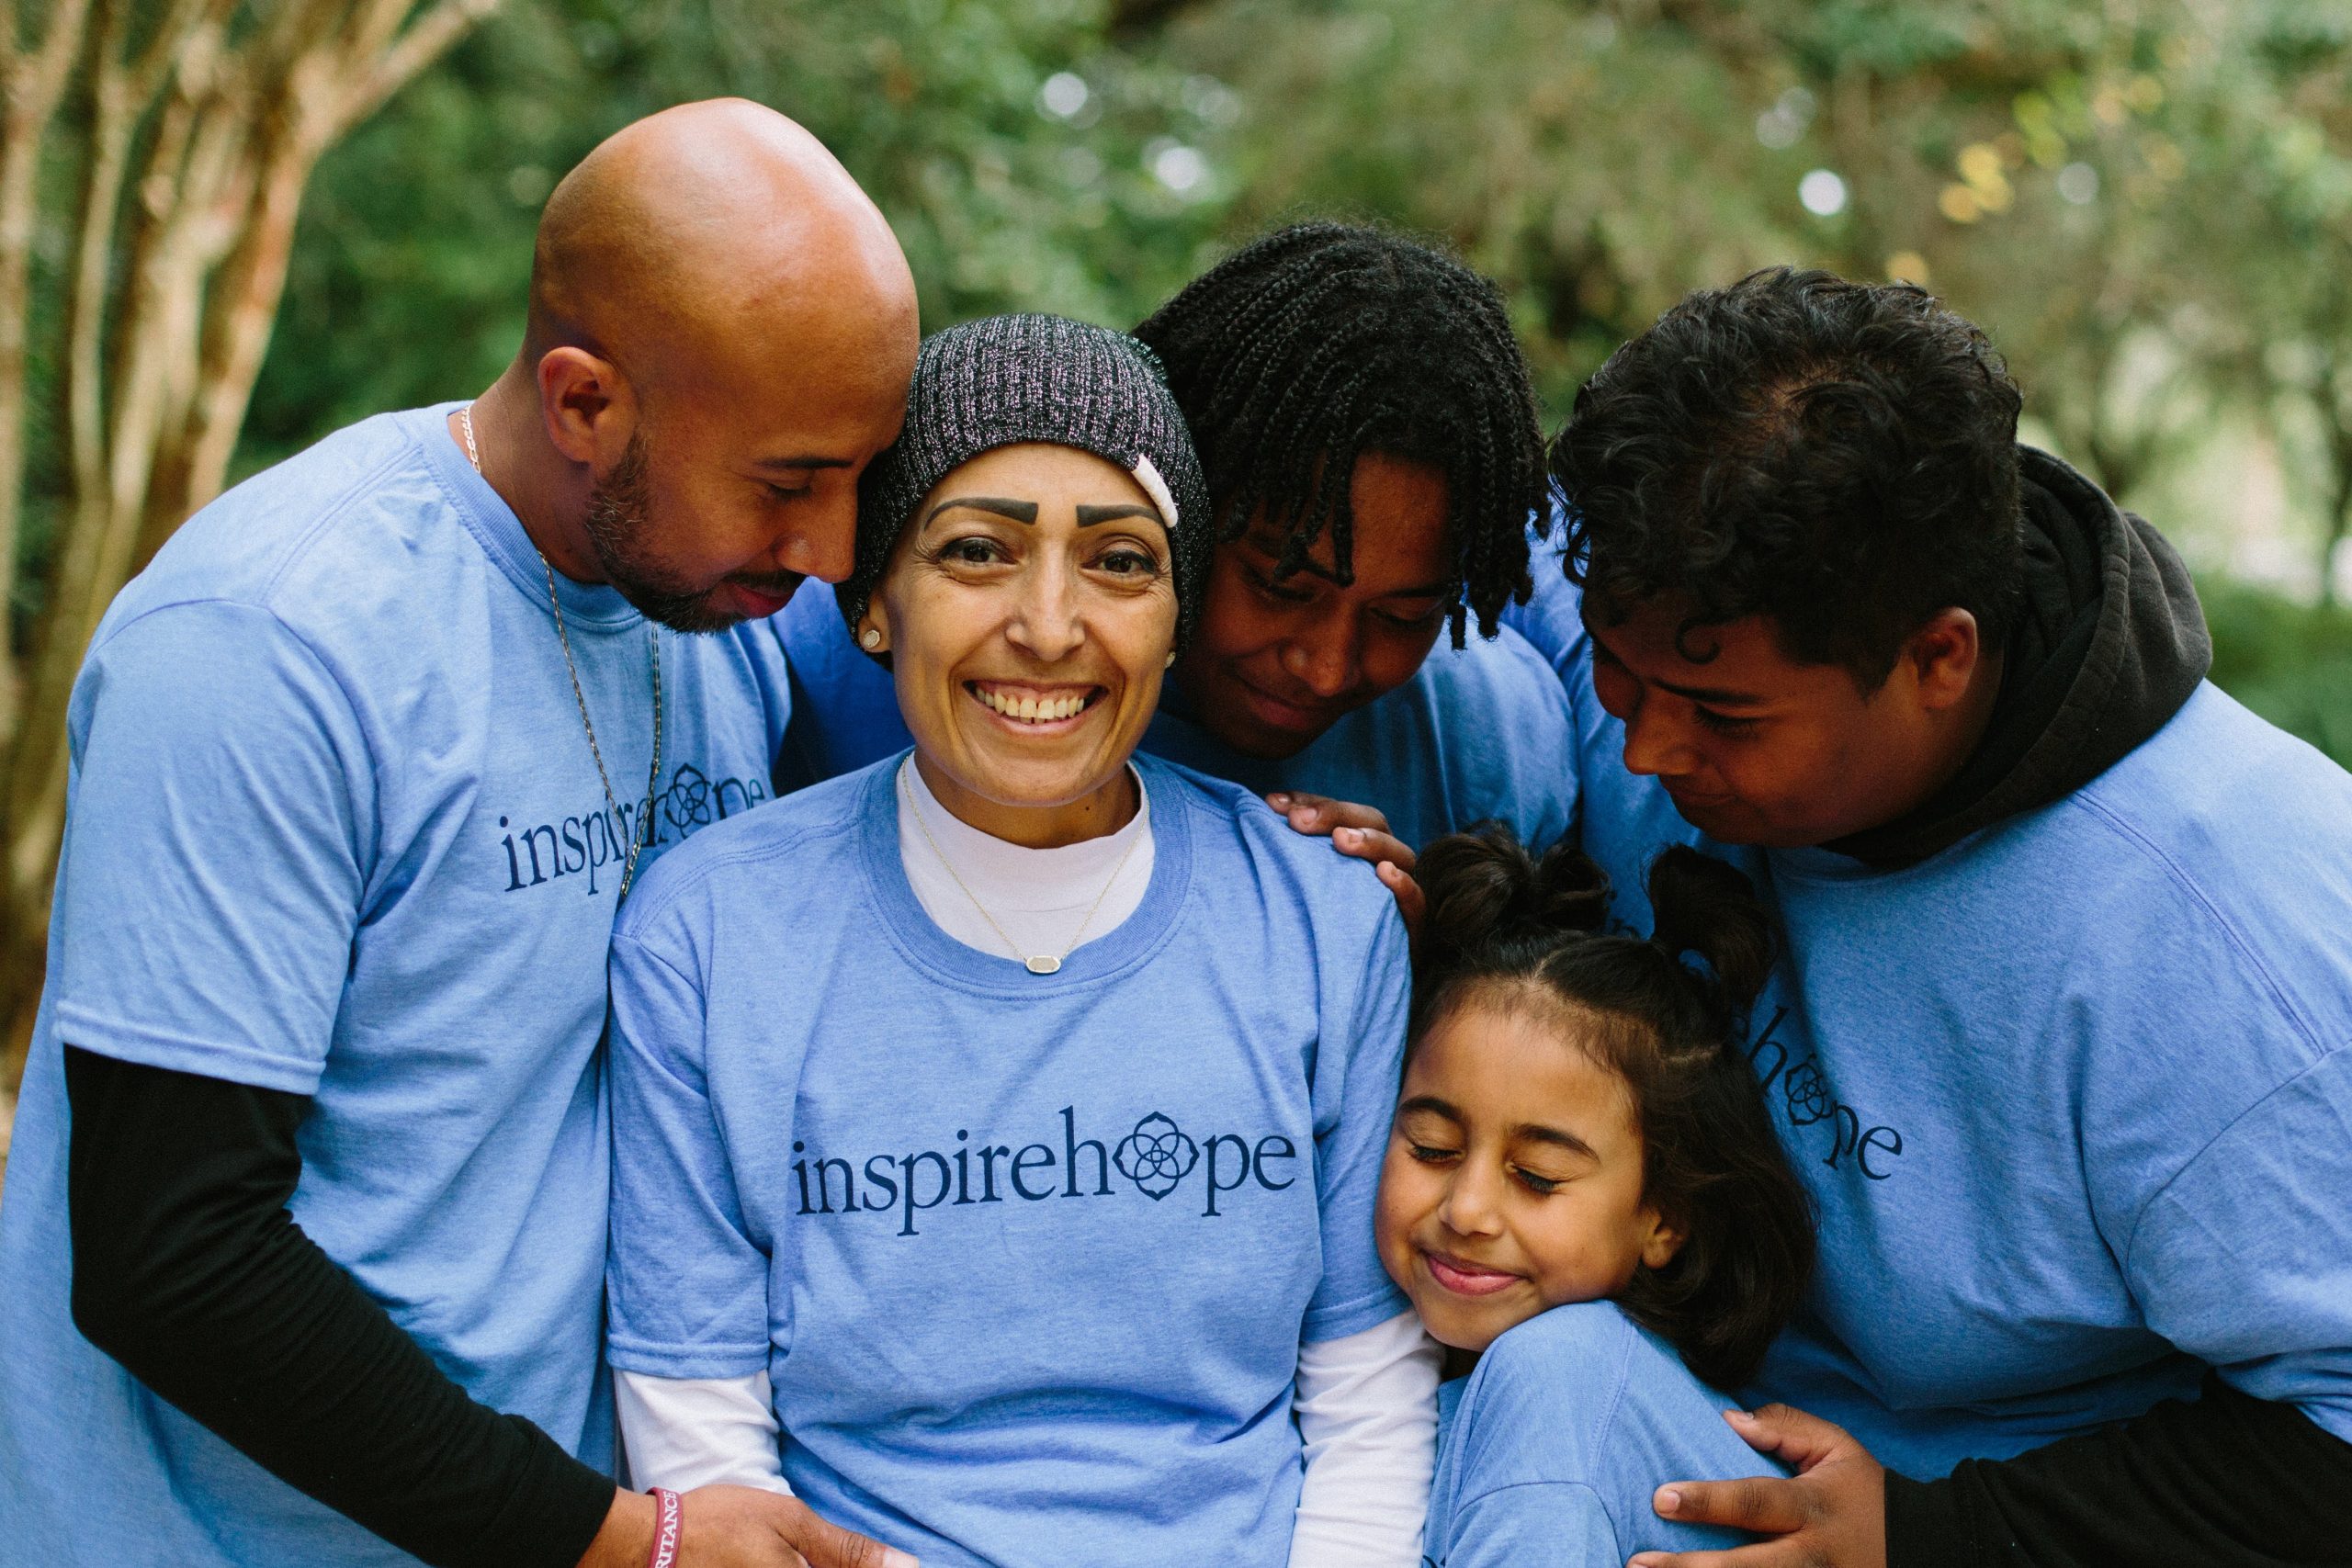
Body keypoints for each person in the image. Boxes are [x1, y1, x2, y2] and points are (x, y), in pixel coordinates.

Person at [0, 101, 920, 1568]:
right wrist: (618, 1538)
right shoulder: (271, 641)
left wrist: (1260, 846)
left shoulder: (726, 608)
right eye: (789, 480)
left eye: (862, 474)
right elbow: (170, 1251)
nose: (829, 544)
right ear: (583, 403)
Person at [1498, 267, 2352, 1566]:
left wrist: (1936, 1532)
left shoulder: (2235, 934)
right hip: (1643, 1403)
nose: (1643, 747)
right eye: (1622, 669)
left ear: (1937, 659)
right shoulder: (1668, 611)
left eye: (1721, 713)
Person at [605, 314, 1436, 1566]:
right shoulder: (710, 932)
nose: (1050, 627)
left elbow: (1367, 1387)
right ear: (876, 604)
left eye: (1118, 563)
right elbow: (699, 1414)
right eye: (980, 551)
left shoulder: (1323, 919)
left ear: (1173, 615)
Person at [774, 222, 1571, 878]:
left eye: (1404, 616)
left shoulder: (1493, 745)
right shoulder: (828, 654)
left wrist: (1428, 976)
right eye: (1279, 584)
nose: (1327, 666)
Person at [1378, 827, 1815, 1567]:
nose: (1466, 1209)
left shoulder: (1557, 1378)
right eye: (1433, 1149)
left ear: (1664, 1219)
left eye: (1539, 1176)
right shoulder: (1388, 1363)